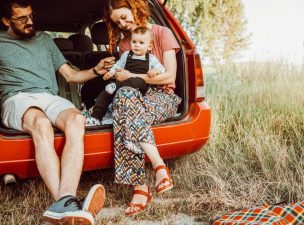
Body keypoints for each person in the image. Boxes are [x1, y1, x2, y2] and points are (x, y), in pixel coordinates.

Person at [0, 0, 115, 224]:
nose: (30, 22)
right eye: (22, 19)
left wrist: (95, 70)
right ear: (6, 21)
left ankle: (64, 204)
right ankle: (65, 202)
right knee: (41, 124)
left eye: (31, 16)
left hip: (49, 97)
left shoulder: (44, 40)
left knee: (76, 120)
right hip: (17, 98)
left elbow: (71, 76)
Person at [102, 0, 182, 216]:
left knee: (123, 109)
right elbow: (124, 81)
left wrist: (133, 76)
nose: (123, 23)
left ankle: (140, 190)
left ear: (134, 8)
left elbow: (169, 76)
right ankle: (159, 167)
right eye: (117, 21)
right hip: (134, 96)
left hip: (163, 96)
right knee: (124, 96)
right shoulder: (124, 46)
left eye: (124, 16)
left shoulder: (162, 33)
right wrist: (118, 74)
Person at [85, 26, 165, 126]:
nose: (136, 45)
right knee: (104, 94)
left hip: (139, 88)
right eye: (134, 42)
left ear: (149, 46)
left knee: (139, 80)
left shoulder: (151, 59)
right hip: (122, 85)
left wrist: (155, 70)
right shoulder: (127, 54)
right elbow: (118, 65)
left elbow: (162, 69)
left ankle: (116, 88)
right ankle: (96, 118)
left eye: (141, 43)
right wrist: (111, 72)